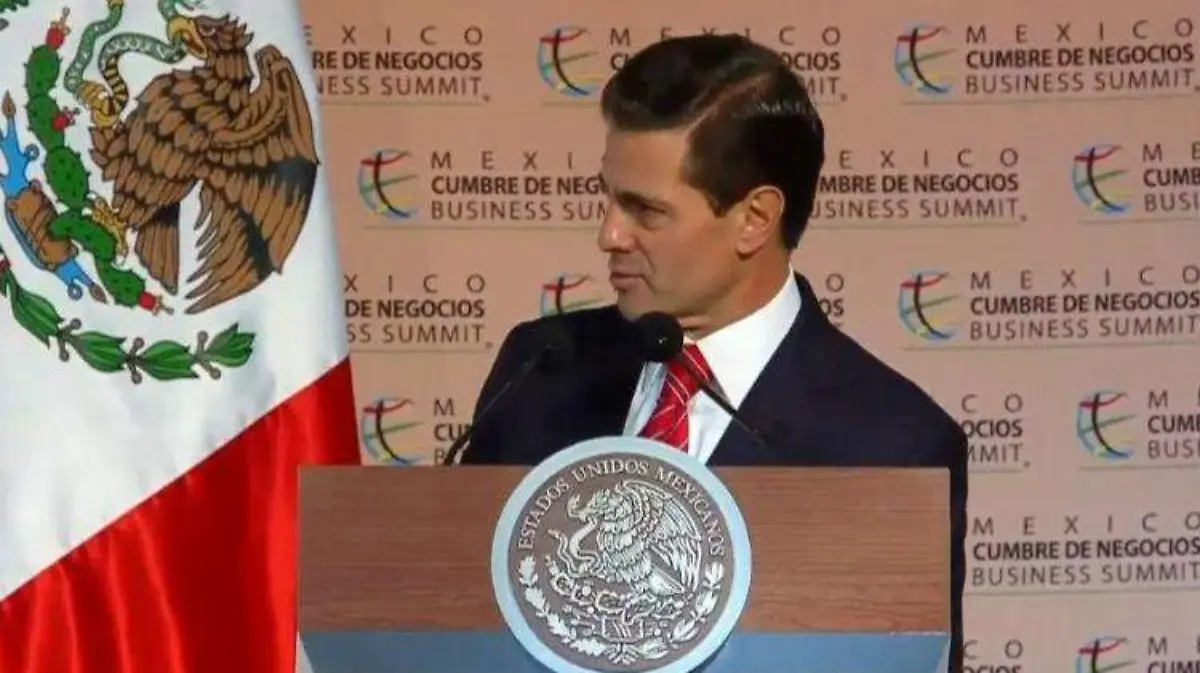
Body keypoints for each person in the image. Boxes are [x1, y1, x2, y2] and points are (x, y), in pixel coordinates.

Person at [459, 33, 967, 673]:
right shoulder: (540, 369)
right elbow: (452, 620)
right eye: (607, 197)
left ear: (755, 219)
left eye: (645, 211)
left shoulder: (892, 446)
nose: (608, 234)